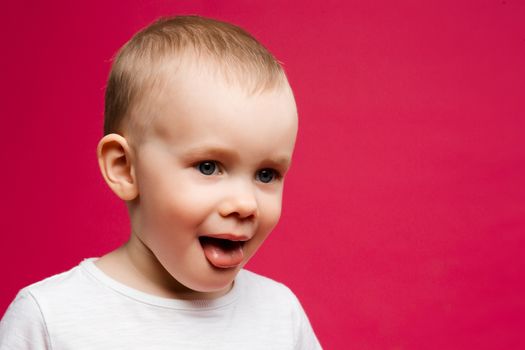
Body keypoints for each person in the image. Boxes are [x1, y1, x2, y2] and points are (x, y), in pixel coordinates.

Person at [0, 15, 321, 349]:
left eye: (266, 174)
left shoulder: (281, 316)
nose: (245, 203)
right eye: (209, 167)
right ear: (124, 167)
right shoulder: (50, 319)